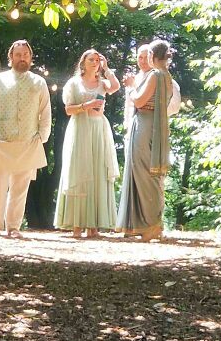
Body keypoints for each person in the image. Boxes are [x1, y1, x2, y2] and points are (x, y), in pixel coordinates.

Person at [0, 40, 52, 238]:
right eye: (18, 54)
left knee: (20, 187)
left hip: (28, 142)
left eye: (26, 55)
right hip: (0, 141)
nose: (22, 58)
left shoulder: (39, 82)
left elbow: (45, 111)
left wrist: (42, 137)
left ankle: (13, 227)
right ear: (10, 57)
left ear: (30, 58)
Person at [54, 49, 120, 238]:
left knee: (97, 171)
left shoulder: (102, 82)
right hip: (80, 129)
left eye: (97, 60)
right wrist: (86, 106)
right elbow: (68, 110)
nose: (95, 62)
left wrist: (107, 68)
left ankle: (93, 226)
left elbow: (115, 87)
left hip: (98, 129)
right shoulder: (74, 83)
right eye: (91, 59)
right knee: (79, 171)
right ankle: (77, 224)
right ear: (83, 62)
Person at [117, 38, 175, 242]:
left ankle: (151, 224)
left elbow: (139, 99)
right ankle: (145, 223)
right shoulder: (167, 76)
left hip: (145, 124)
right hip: (153, 125)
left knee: (143, 171)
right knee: (150, 172)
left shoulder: (155, 75)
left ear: (152, 56)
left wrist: (132, 86)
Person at [123, 43, 181, 136]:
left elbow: (174, 107)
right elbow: (129, 105)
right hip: (134, 126)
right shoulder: (135, 78)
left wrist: (151, 109)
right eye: (140, 57)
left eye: (146, 57)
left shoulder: (158, 76)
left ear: (152, 56)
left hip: (151, 126)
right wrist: (128, 125)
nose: (143, 61)